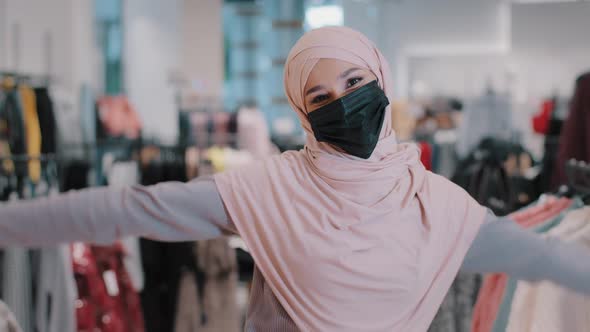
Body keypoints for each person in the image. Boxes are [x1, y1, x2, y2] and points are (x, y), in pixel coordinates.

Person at [2, 26, 590, 331]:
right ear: (302, 111)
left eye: (357, 82)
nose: (344, 103)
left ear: (382, 79)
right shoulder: (267, 192)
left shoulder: (442, 207)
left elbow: (545, 259)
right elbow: (128, 208)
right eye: (321, 95)